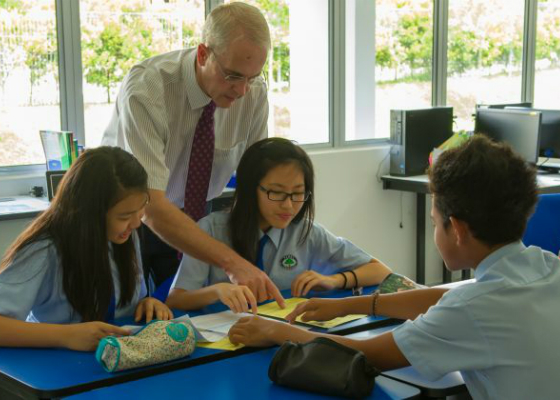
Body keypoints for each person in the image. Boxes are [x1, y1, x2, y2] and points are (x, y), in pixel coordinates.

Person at [227, 135, 560, 400]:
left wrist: (275, 331)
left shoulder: (474, 309)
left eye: (433, 221)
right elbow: (442, 299)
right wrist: (348, 304)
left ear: (456, 229)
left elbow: (365, 353)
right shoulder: (546, 265)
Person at [101, 2, 283, 309]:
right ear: (203, 54)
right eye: (233, 76)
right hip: (130, 221)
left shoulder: (253, 92)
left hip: (200, 217)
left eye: (252, 77)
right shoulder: (148, 88)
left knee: (196, 317)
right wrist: (232, 262)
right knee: (134, 316)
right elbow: (151, 207)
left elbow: (256, 181)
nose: (242, 91)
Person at [0, 147, 173, 352]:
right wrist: (67, 335)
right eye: (124, 216)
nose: (136, 223)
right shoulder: (44, 249)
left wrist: (146, 303)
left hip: (116, 360)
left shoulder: (123, 236)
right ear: (89, 214)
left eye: (141, 210)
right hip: (56, 369)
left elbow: (123, 301)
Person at [165, 138, 392, 313]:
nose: (288, 205)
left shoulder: (306, 232)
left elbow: (380, 271)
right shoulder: (211, 230)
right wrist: (216, 291)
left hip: (283, 335)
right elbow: (177, 299)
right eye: (276, 192)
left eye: (297, 194)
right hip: (224, 341)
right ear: (250, 189)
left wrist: (333, 280)